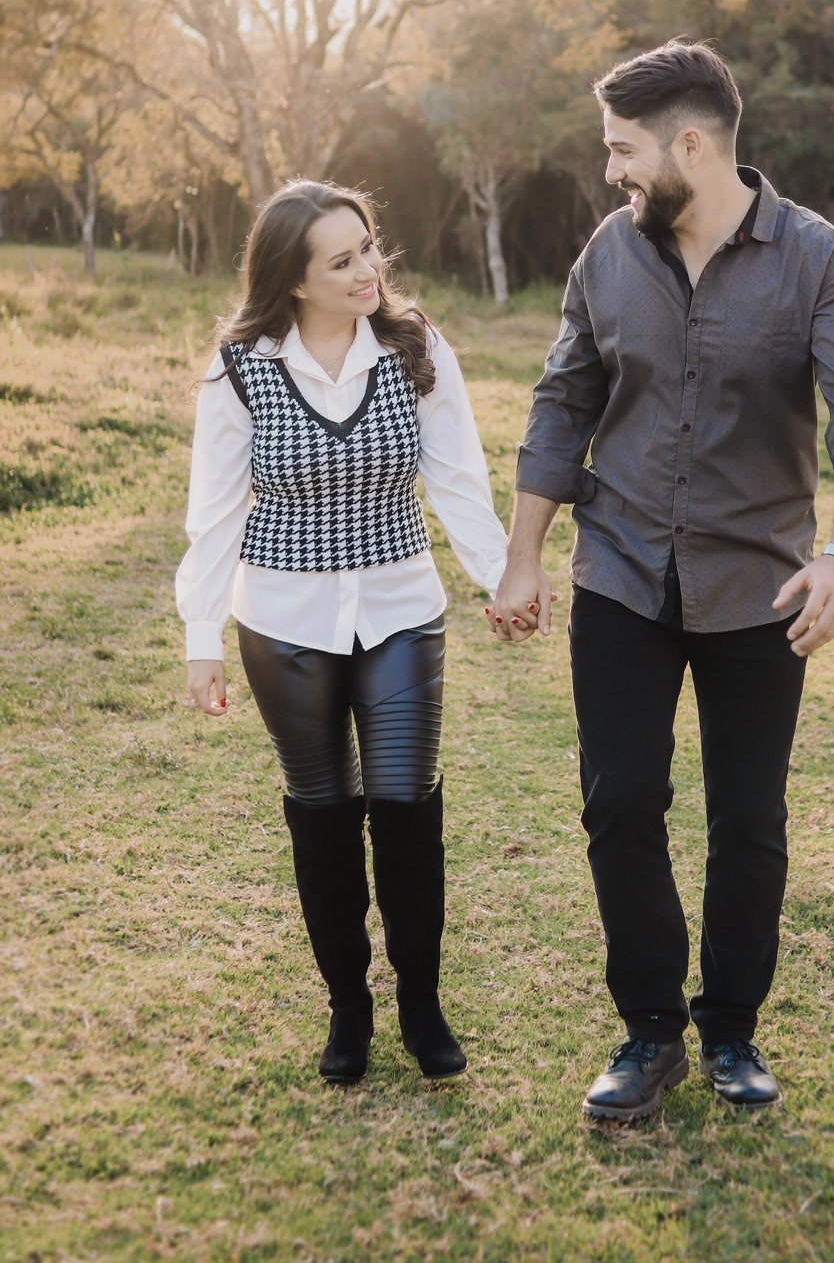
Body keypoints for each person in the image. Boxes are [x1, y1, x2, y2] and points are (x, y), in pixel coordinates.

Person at [489, 40, 834, 1120]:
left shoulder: (814, 258)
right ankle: (648, 1032)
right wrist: (524, 553)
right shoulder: (607, 253)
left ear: (689, 145)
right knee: (620, 801)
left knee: (748, 818)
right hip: (621, 573)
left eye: (623, 150)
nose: (611, 172)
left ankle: (730, 1031)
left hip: (760, 585)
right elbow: (562, 402)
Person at [177, 180, 507, 1085]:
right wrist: (202, 634)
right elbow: (216, 512)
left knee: (407, 809)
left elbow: (458, 479)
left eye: (369, 248)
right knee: (322, 819)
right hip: (283, 624)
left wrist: (502, 578)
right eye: (342, 260)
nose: (369, 270)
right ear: (293, 279)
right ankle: (348, 1008)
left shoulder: (414, 347)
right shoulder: (239, 368)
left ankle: (422, 1005)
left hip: (401, 612)